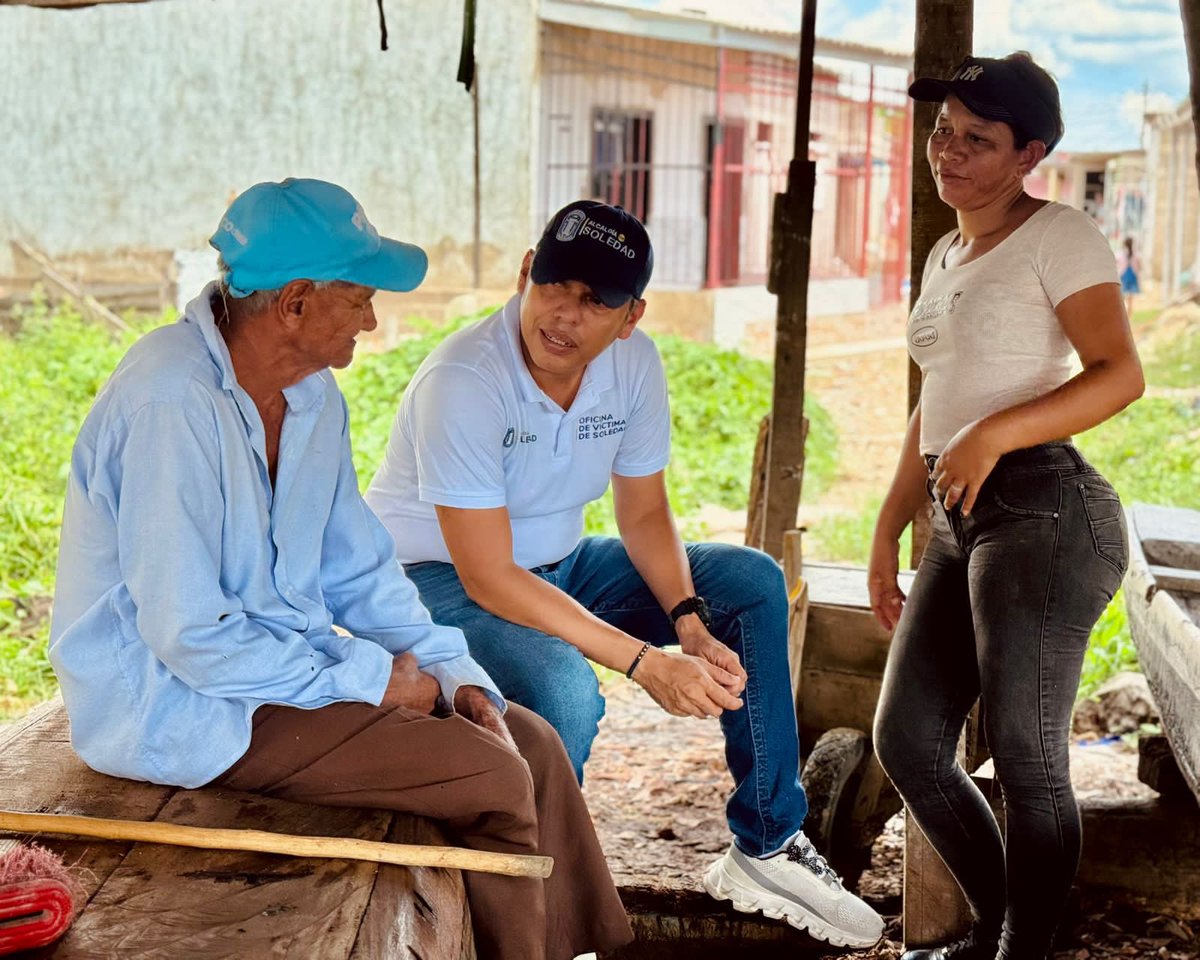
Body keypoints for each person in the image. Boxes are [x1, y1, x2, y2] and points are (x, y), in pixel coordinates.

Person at [48, 178, 632, 960]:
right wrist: (372, 681)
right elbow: (190, 637)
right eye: (357, 297)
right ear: (293, 302)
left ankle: (576, 947)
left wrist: (451, 673)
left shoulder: (311, 395)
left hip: (275, 675)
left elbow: (360, 570)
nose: (372, 318)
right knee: (491, 778)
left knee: (530, 741)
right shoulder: (169, 401)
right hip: (179, 705)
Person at [363, 199, 884, 948]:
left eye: (596, 300)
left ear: (630, 315)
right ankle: (530, 909)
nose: (565, 315)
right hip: (433, 576)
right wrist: (644, 664)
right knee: (562, 688)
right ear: (524, 275)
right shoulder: (465, 379)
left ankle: (767, 843)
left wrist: (688, 620)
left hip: (560, 562)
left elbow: (642, 515)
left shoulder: (633, 367)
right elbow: (487, 576)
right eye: (553, 286)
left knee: (750, 582)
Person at [868, 55, 1145, 960]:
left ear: (1030, 153)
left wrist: (994, 435)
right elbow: (935, 403)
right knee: (906, 741)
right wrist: (884, 531)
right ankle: (1007, 940)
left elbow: (1121, 375)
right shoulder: (946, 252)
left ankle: (1023, 951)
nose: (945, 151)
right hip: (958, 515)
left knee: (1029, 761)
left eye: (976, 139)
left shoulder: (1059, 235)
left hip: (1045, 510)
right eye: (942, 128)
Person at [1117, 236, 1141, 318]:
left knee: (1123, 296)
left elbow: (1117, 264)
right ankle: (1128, 315)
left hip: (1124, 275)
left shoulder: (1121, 254)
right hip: (1132, 275)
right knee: (1130, 297)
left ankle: (1125, 313)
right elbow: (1139, 266)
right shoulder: (1135, 254)